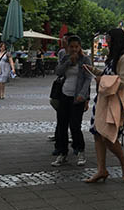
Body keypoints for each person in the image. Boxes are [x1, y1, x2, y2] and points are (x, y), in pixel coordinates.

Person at [86, 28, 124, 183]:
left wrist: (102, 81)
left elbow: (123, 81)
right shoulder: (113, 57)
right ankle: (101, 170)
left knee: (109, 137)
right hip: (104, 99)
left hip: (115, 102)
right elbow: (109, 75)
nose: (107, 42)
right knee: (98, 133)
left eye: (109, 39)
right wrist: (94, 71)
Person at [51, 35, 92, 167]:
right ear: (67, 47)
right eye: (71, 47)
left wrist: (83, 95)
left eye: (76, 47)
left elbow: (88, 79)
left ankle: (80, 151)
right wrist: (68, 61)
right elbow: (58, 72)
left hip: (78, 97)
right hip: (64, 94)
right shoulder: (65, 57)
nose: (74, 49)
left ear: (80, 47)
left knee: (75, 126)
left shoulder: (85, 59)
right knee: (62, 126)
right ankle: (62, 153)